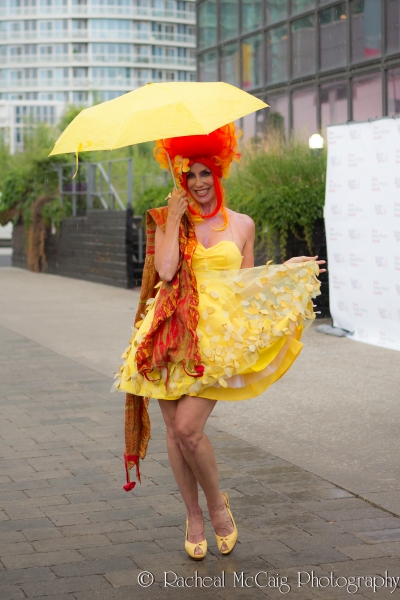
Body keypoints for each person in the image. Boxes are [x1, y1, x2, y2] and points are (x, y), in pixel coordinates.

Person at [114, 123, 325, 560]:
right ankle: (193, 515)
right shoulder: (174, 220)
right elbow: (168, 272)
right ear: (181, 180)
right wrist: (172, 218)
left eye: (205, 173)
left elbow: (244, 283)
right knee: (174, 431)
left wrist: (286, 271)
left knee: (189, 429)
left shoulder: (243, 224)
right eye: (189, 175)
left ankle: (216, 505)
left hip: (214, 338)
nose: (198, 183)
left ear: (218, 173)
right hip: (169, 332)